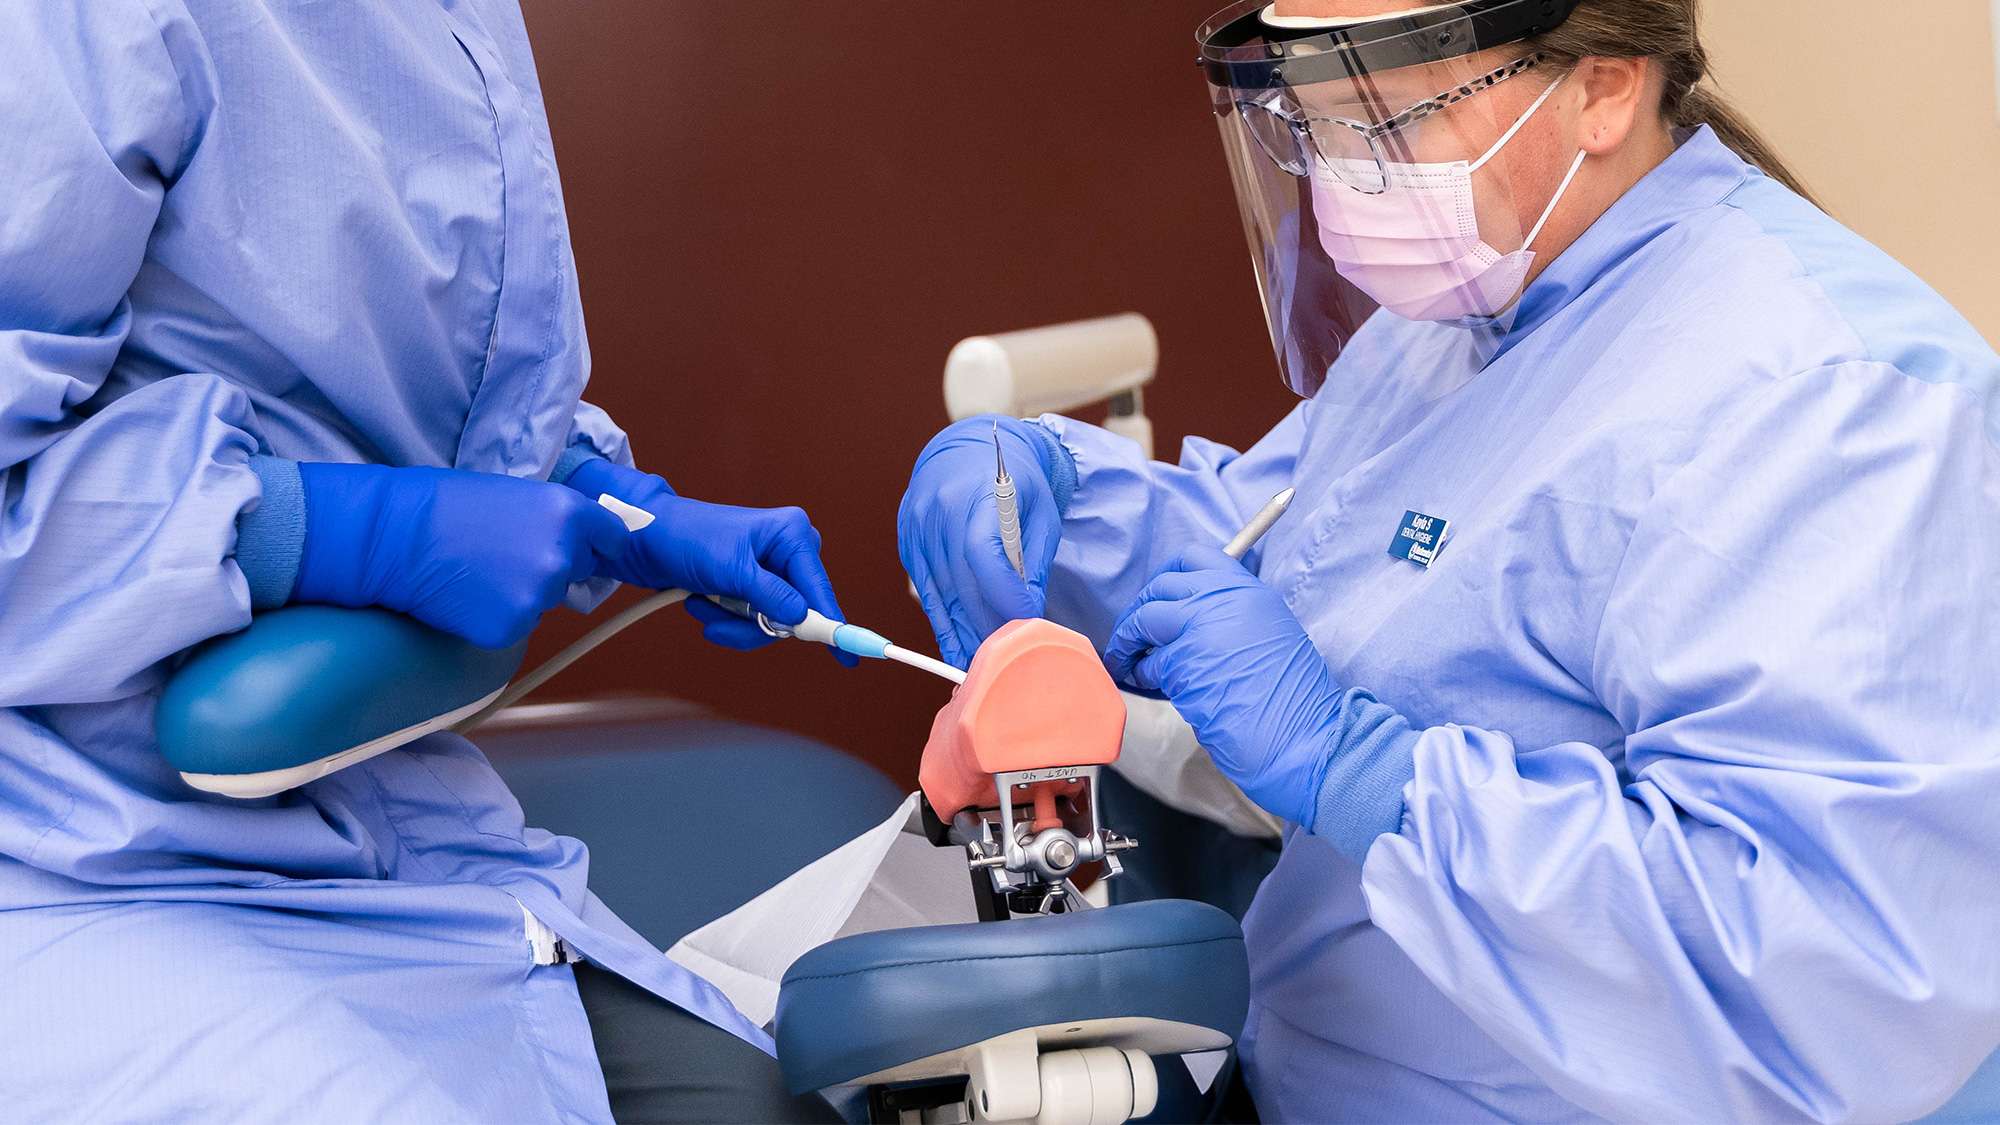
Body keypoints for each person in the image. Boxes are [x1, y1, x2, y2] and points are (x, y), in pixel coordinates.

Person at [900, 0, 2000, 1120]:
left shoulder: (1828, 405)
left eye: (1381, 123)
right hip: (1304, 1062)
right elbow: (1293, 555)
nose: (1341, 182)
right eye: (1313, 128)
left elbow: (1830, 978)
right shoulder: (1461, 306)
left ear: (1604, 89)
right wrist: (1060, 495)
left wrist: (1368, 775)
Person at [1, 3, 841, 1121]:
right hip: (78, 863)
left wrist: (612, 504)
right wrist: (343, 530)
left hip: (387, 837)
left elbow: (370, 390)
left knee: (742, 1097)